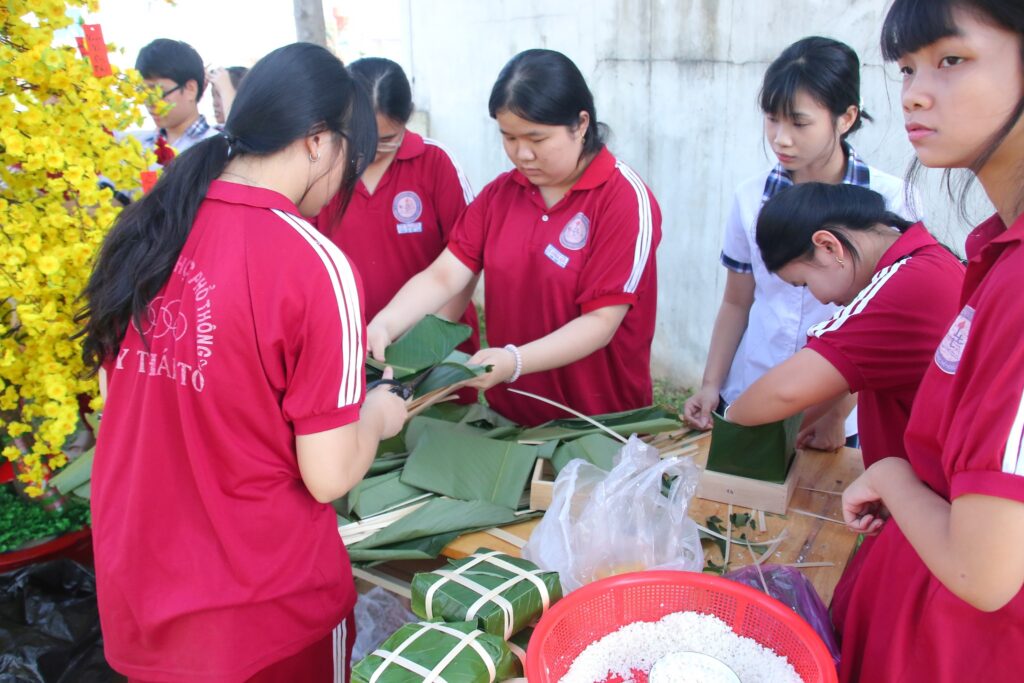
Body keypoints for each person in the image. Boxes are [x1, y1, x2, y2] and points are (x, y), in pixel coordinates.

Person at [77, 43, 406, 682]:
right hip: (265, 616)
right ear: (318, 141)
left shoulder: (151, 226)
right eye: (351, 155)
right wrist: (379, 414)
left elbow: (119, 403)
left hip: (141, 600)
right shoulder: (315, 263)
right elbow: (329, 475)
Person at [837, 2, 1024, 681]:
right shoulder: (995, 252)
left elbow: (984, 570)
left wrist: (891, 472)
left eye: (951, 60)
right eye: (908, 67)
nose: (914, 91)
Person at [367, 49, 661, 426]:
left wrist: (515, 360)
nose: (522, 154)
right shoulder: (500, 196)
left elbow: (601, 322)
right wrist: (386, 323)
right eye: (508, 137)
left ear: (581, 123)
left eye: (537, 138)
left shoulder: (623, 199)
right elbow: (445, 275)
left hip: (598, 421)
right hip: (513, 417)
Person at [724, 182, 965, 639]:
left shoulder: (905, 282)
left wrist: (727, 426)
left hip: (933, 523)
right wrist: (835, 414)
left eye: (803, 282)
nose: (818, 297)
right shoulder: (927, 260)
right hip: (925, 507)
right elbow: (875, 364)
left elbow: (781, 394)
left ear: (828, 245)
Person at [683, 37, 915, 451]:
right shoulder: (750, 198)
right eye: (772, 119)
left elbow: (888, 328)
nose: (780, 138)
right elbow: (737, 301)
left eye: (799, 123)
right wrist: (711, 385)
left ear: (845, 118)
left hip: (843, 418)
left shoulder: (890, 201)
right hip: (755, 392)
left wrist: (836, 414)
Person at [317, 57, 478, 337]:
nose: (370, 149)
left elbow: (467, 261)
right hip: (353, 345)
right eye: (361, 135)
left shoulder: (436, 163)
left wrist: (427, 345)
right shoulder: (323, 170)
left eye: (386, 139)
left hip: (435, 348)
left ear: (407, 116)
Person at [133, 38, 219, 154]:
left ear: (190, 89)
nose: (150, 103)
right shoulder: (138, 147)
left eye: (158, 93)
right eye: (143, 92)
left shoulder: (217, 148)